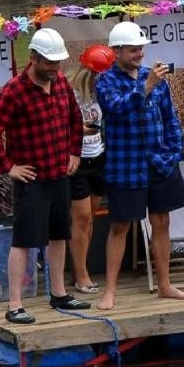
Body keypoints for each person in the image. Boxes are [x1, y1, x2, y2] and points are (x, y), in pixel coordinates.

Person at [0, 27, 92, 325]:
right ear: (33, 58)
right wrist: (7, 166)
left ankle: (58, 292)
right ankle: (14, 304)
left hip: (59, 172)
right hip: (31, 178)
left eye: (58, 63)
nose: (55, 68)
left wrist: (74, 153)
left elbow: (75, 121)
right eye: (49, 63)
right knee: (24, 239)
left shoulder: (62, 83)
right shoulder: (14, 90)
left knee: (59, 234)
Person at [91, 21, 184, 311]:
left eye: (141, 49)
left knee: (162, 221)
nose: (139, 54)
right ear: (117, 51)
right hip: (126, 164)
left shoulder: (154, 77)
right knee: (120, 225)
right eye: (133, 50)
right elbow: (117, 109)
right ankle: (109, 291)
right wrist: (145, 88)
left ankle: (164, 285)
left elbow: (170, 117)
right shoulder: (105, 81)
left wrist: (175, 151)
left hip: (160, 161)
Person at [66, 47, 108, 295]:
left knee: (90, 216)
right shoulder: (70, 91)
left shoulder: (101, 91)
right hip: (77, 158)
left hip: (98, 156)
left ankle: (79, 268)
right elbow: (60, 123)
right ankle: (81, 274)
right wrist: (80, 129)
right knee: (81, 217)